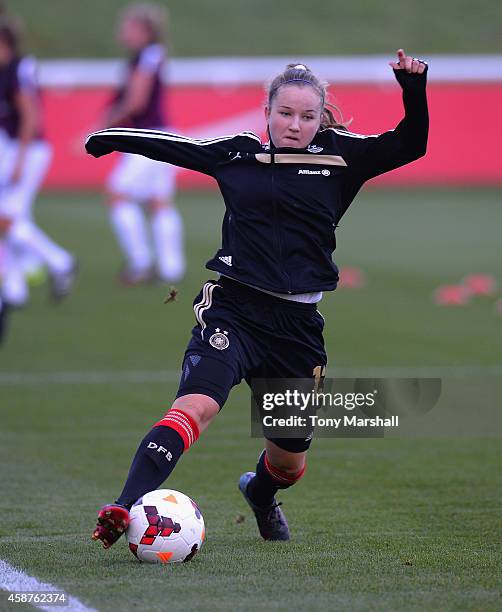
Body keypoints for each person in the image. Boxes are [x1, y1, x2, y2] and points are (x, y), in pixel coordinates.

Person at [86, 49, 428, 546]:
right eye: (285, 114)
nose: (295, 125)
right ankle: (123, 506)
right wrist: (111, 137)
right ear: (266, 112)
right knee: (195, 406)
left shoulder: (341, 157)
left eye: (307, 116)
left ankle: (262, 493)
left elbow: (411, 144)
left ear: (320, 117)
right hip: (234, 310)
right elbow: (176, 146)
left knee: (289, 463)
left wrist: (412, 88)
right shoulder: (238, 153)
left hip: (296, 328)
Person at [99, 3, 185, 285]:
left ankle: (141, 262)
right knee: (159, 202)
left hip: (150, 138)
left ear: (145, 30)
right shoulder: (146, 56)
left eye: (129, 27)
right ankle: (172, 268)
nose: (124, 32)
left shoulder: (147, 56)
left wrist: (103, 126)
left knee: (116, 193)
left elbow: (135, 101)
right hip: (161, 136)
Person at [0, 16, 76, 306]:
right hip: (16, 149)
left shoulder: (18, 69)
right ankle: (14, 289)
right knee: (11, 219)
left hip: (29, 151)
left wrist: (17, 158)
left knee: (7, 218)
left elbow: (31, 117)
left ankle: (60, 262)